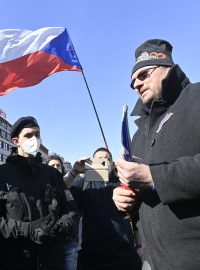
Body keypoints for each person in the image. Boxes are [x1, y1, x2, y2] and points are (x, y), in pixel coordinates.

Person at [112, 38, 200, 270]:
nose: (137, 85)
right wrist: (126, 200)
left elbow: (153, 178)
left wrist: (154, 176)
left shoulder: (197, 98)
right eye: (132, 82)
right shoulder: (139, 133)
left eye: (144, 75)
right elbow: (142, 195)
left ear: (166, 68)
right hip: (151, 261)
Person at [0, 116, 80, 270]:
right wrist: (26, 229)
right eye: (29, 135)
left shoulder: (53, 174)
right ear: (16, 141)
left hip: (52, 260)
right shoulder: (2, 175)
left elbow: (71, 209)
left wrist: (61, 227)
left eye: (37, 135)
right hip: (15, 260)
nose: (35, 139)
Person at [69, 147, 142, 270]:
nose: (104, 160)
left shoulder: (122, 182)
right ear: (91, 163)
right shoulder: (83, 183)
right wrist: (75, 172)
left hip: (123, 254)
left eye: (108, 158)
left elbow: (136, 215)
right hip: (92, 255)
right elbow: (61, 192)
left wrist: (139, 244)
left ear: (112, 163)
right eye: (100, 158)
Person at [47, 153, 80, 270]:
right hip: (48, 244)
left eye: (58, 165)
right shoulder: (41, 185)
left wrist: (63, 226)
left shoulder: (66, 187)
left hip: (68, 242)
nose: (55, 168)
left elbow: (73, 210)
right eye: (52, 165)